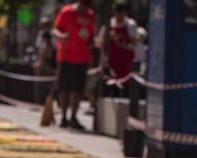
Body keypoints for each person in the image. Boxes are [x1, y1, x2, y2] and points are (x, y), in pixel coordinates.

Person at [52, 0, 96, 129]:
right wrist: (62, 36)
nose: (85, 10)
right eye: (83, 6)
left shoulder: (90, 15)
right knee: (64, 88)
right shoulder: (67, 12)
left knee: (77, 89)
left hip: (82, 57)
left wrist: (91, 42)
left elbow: (92, 34)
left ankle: (73, 117)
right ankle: (64, 116)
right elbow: (55, 30)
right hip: (66, 56)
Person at [98, 2, 138, 92]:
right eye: (118, 12)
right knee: (111, 85)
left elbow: (134, 43)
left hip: (126, 61)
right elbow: (100, 43)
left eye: (122, 12)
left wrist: (122, 43)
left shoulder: (130, 24)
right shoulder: (109, 24)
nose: (120, 15)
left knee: (126, 86)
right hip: (111, 61)